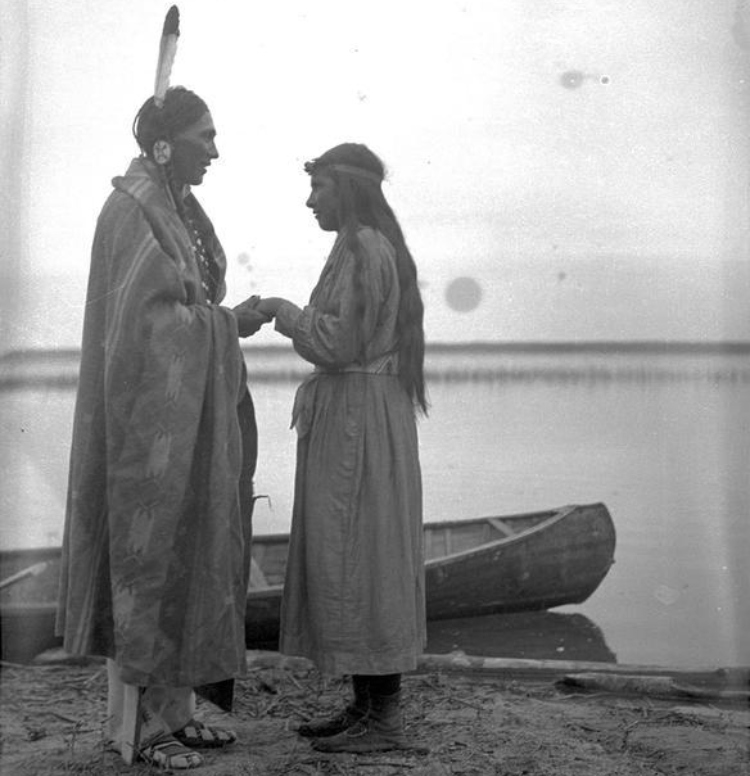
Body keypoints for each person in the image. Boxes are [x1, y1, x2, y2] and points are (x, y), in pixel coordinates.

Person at [56, 86, 270, 770]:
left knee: (189, 553)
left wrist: (215, 322)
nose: (216, 149)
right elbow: (149, 328)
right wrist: (225, 324)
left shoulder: (171, 209)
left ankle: (176, 713)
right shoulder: (131, 211)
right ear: (166, 144)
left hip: (184, 424)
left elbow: (187, 302)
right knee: (147, 562)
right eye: (206, 135)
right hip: (143, 430)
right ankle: (141, 731)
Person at [254, 143, 428, 753]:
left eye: (319, 187)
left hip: (359, 424)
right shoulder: (363, 245)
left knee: (364, 559)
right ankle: (366, 708)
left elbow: (338, 344)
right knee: (356, 559)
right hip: (361, 420)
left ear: (346, 189)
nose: (309, 200)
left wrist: (280, 309)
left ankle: (384, 721)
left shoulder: (361, 247)